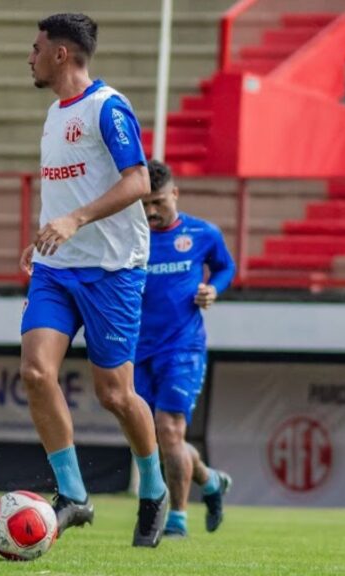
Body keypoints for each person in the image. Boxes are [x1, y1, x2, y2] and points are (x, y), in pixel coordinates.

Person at [21, 13, 168, 548]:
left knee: (114, 393)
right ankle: (74, 495)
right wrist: (45, 234)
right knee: (37, 373)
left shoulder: (108, 107)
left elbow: (139, 180)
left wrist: (75, 221)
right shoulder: (52, 116)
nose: (28, 56)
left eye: (35, 47)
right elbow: (64, 192)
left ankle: (153, 489)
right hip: (57, 270)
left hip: (113, 269)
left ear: (61, 54)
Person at [136, 159, 236, 538]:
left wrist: (214, 289)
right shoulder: (132, 235)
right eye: (144, 204)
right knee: (157, 437)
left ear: (174, 194)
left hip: (183, 348)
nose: (151, 212)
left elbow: (225, 267)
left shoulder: (201, 234)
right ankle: (210, 481)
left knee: (170, 430)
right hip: (137, 350)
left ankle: (176, 519)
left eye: (158, 202)